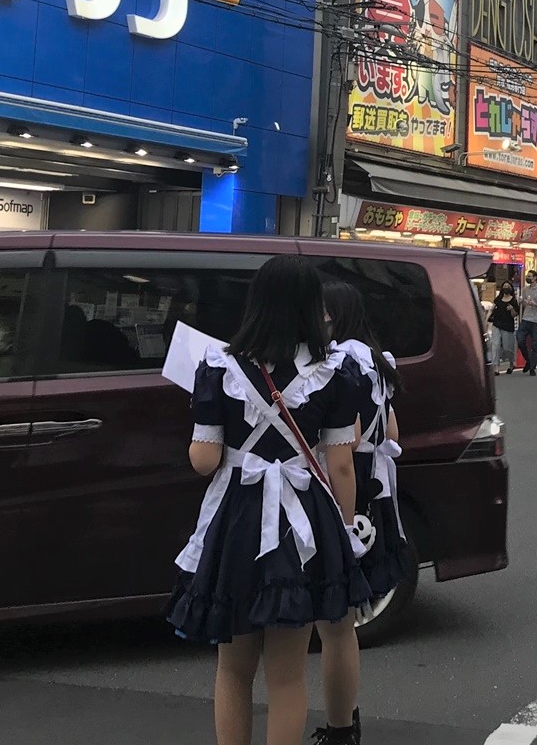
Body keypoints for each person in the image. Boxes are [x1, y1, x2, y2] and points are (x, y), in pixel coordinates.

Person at [166, 255, 367, 745]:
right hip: (304, 521)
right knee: (287, 675)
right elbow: (341, 463)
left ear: (256, 303)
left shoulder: (217, 366)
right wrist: (343, 529)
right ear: (310, 307)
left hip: (237, 517)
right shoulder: (336, 371)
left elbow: (204, 459)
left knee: (233, 669)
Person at [312, 281, 407, 745]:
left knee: (333, 616)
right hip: (377, 483)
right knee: (344, 617)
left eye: (323, 314)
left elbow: (341, 441)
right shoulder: (378, 359)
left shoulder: (338, 362)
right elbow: (390, 428)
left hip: (344, 482)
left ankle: (341, 724)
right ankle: (345, 721)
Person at [489, 281, 519, 375]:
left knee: (507, 347)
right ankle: (496, 367)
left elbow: (515, 314)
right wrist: (486, 320)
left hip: (507, 326)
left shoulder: (513, 300)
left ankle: (511, 363)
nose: (506, 288)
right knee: (495, 345)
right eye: (504, 286)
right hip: (497, 324)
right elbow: (492, 309)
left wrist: (511, 309)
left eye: (507, 286)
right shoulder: (498, 299)